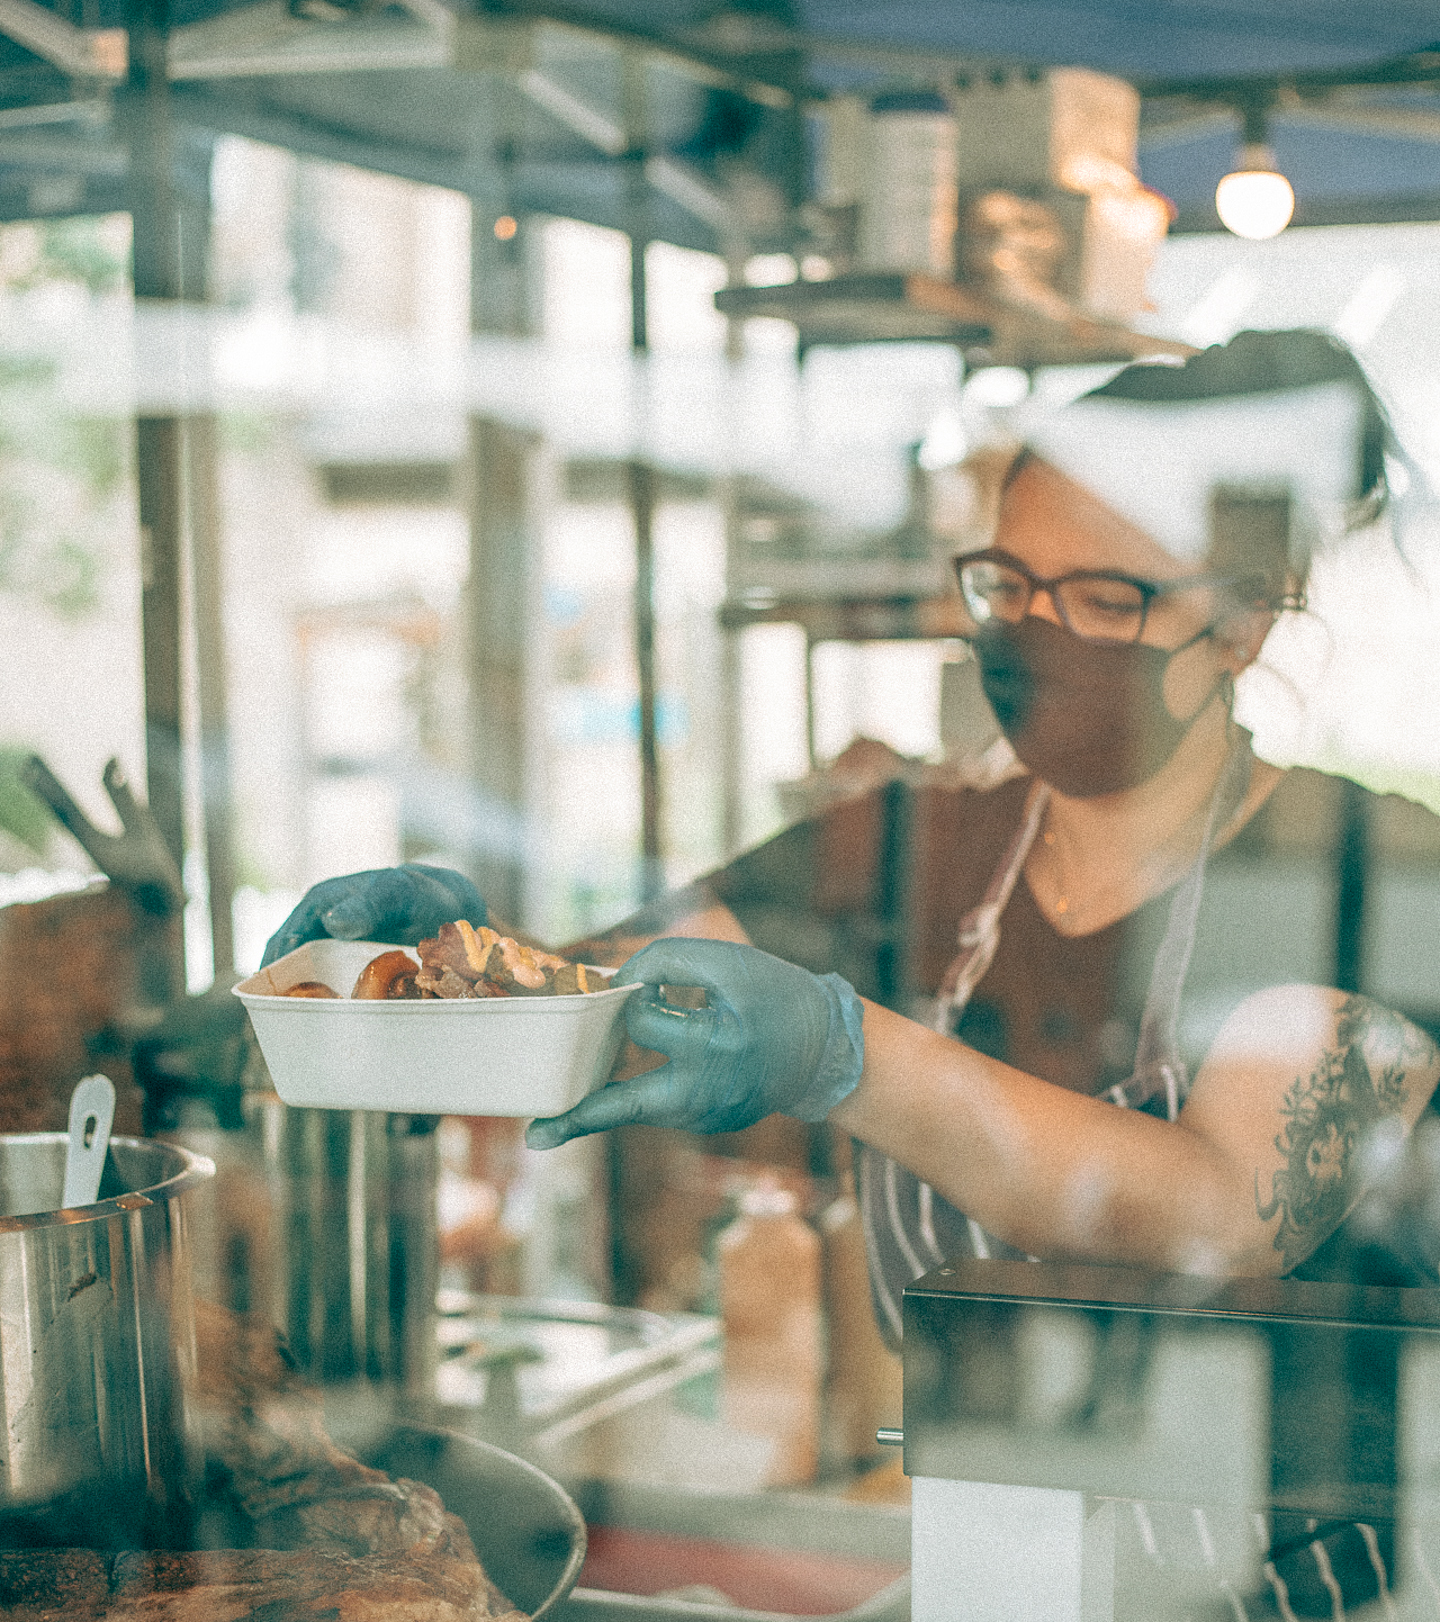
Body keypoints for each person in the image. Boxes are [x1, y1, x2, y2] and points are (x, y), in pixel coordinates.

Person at [266, 330, 1440, 1304]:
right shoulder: (906, 844)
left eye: (1103, 597)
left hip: (1280, 1576)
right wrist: (447, 964)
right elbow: (617, 999)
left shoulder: (1360, 869)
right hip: (975, 1528)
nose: (1037, 630)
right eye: (1009, 587)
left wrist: (845, 1053)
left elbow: (1221, 1217)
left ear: (1243, 626)